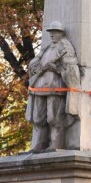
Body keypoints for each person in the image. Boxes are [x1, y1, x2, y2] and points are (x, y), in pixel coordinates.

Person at [25, 21, 81, 151]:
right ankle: (41, 142)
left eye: (54, 32)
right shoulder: (47, 48)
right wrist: (36, 68)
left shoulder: (65, 48)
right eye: (50, 32)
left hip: (56, 87)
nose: (51, 35)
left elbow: (71, 70)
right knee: (38, 116)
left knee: (53, 117)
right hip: (39, 87)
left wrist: (56, 68)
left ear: (61, 33)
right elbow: (35, 63)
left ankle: (56, 143)